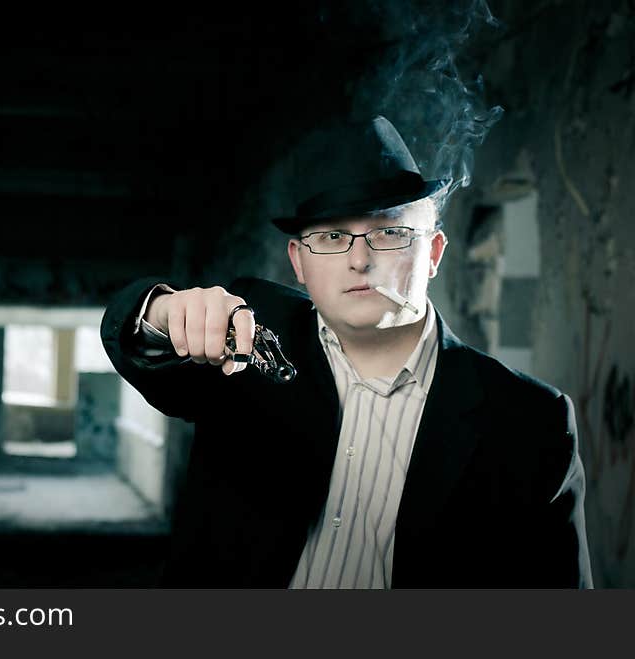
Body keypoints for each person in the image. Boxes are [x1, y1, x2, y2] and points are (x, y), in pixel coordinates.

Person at [100, 116, 593, 588]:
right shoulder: (249, 336)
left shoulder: (532, 421)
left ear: (435, 254)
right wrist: (165, 312)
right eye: (333, 236)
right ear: (298, 261)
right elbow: (139, 347)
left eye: (390, 232)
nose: (360, 259)